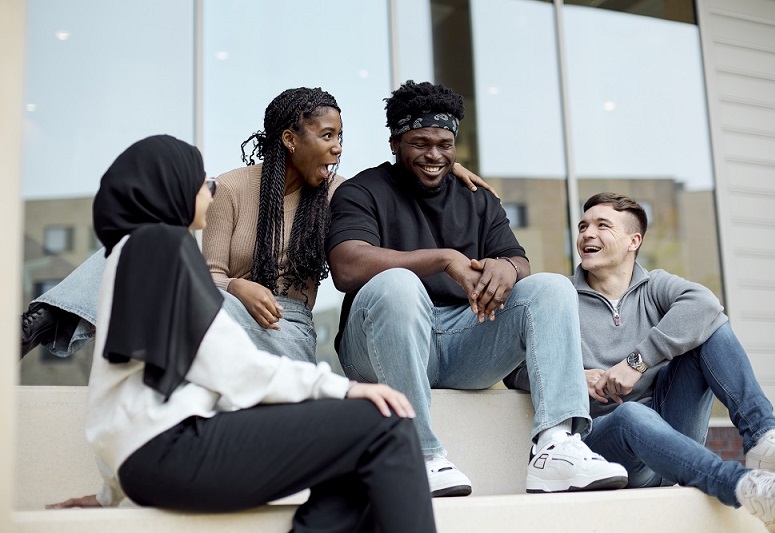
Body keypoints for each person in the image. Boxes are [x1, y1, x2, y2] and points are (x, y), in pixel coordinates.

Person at [47, 134, 438, 533]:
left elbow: (119, 393)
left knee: (350, 450)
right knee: (388, 422)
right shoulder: (162, 243)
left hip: (146, 461)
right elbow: (230, 365)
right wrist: (343, 388)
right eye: (204, 182)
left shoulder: (132, 254)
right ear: (173, 185)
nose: (212, 192)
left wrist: (108, 495)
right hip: (175, 450)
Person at [20, 87, 494, 361]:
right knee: (142, 246)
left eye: (341, 137)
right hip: (225, 311)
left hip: (287, 332)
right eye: (326, 136)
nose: (337, 148)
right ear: (290, 138)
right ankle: (40, 321)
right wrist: (237, 289)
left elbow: (392, 178)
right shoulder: (231, 188)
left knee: (154, 265)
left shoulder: (339, 192)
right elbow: (208, 277)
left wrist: (443, 165)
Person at [325, 80, 628, 498]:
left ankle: (556, 446)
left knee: (552, 286)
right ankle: (420, 454)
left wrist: (507, 267)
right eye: (420, 143)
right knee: (398, 284)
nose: (434, 155)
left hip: (465, 345)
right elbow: (345, 266)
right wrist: (443, 258)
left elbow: (517, 259)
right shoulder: (362, 191)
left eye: (445, 144)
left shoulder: (477, 198)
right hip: (380, 347)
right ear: (395, 143)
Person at [504, 192, 775, 533]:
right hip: (606, 448)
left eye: (602, 226)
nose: (587, 234)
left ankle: (763, 438)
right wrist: (572, 377)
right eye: (583, 226)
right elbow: (513, 371)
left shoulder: (654, 285)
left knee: (710, 325)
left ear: (634, 241)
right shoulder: (560, 297)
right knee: (631, 414)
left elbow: (705, 304)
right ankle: (744, 486)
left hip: (673, 436)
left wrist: (637, 362)